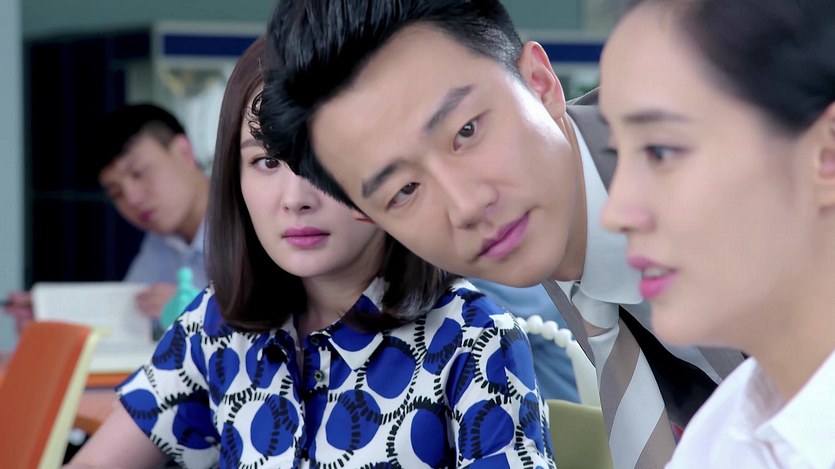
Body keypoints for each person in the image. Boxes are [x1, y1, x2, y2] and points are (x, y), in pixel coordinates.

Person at [255, 1, 747, 467]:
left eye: (467, 131)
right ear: (372, 220)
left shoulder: (729, 155)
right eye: (404, 190)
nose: (466, 206)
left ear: (540, 83)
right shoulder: (559, 244)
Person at [66, 36, 554, 468]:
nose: (295, 197)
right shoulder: (216, 325)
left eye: (322, 160)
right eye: (266, 161)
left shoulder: (473, 338)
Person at [598, 0, 835, 467]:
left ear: (826, 155)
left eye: (661, 151)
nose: (616, 213)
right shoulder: (725, 431)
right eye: (617, 154)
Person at [4, 104, 210, 329]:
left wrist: (204, 314)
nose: (131, 199)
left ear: (184, 152)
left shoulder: (241, 220)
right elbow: (125, 316)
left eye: (139, 173)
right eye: (116, 192)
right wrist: (47, 315)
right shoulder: (162, 242)